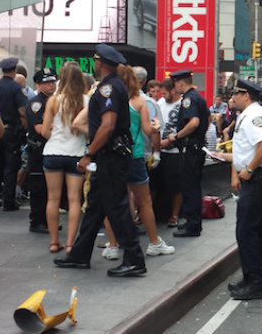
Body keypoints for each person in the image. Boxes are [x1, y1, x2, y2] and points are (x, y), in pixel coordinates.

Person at [54, 44, 146, 277]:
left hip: (110, 156)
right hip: (108, 157)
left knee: (117, 207)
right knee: (94, 206)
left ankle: (134, 259)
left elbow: (107, 126)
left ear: (99, 63)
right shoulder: (111, 86)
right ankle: (80, 254)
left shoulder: (109, 88)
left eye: (95, 61)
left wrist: (88, 155)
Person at [94, 66, 173, 258]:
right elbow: (148, 129)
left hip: (111, 154)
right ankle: (154, 243)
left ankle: (113, 245)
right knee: (144, 202)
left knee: (112, 200)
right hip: (134, 153)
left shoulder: (108, 98)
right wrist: (156, 127)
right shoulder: (139, 101)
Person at [218, 80, 262, 300]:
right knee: (253, 231)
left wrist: (249, 168)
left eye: (236, 92)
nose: (232, 96)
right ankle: (250, 277)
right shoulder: (249, 115)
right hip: (259, 180)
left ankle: (255, 282)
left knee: (246, 232)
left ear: (246, 95)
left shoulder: (257, 116)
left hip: (258, 181)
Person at [42, 64, 89, 253]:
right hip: (76, 154)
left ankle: (54, 242)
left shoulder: (53, 101)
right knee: (74, 200)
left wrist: (54, 131)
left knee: (53, 198)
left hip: (53, 152)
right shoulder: (87, 100)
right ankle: (70, 244)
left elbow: (45, 131)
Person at [168, 70, 209, 238]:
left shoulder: (188, 99)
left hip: (190, 149)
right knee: (193, 186)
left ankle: (192, 225)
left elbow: (194, 122)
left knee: (190, 187)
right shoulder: (198, 97)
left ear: (179, 83)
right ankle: (192, 222)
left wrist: (176, 136)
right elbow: (208, 118)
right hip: (196, 148)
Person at [0, 57, 27, 211]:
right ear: (14, 70)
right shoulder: (16, 88)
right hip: (11, 131)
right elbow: (22, 111)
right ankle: (8, 201)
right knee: (11, 166)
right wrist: (25, 125)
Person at [25, 69, 57, 234]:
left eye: (52, 81)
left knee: (51, 189)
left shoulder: (55, 101)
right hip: (38, 149)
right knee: (39, 188)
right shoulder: (36, 103)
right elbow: (39, 128)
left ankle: (48, 219)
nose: (51, 85)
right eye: (46, 82)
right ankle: (37, 221)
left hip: (52, 149)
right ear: (38, 85)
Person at [157, 78, 182, 227]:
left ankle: (175, 214)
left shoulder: (182, 105)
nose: (163, 95)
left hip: (174, 151)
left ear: (173, 90)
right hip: (159, 150)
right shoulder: (160, 103)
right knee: (156, 183)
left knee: (175, 185)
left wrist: (170, 141)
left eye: (165, 93)